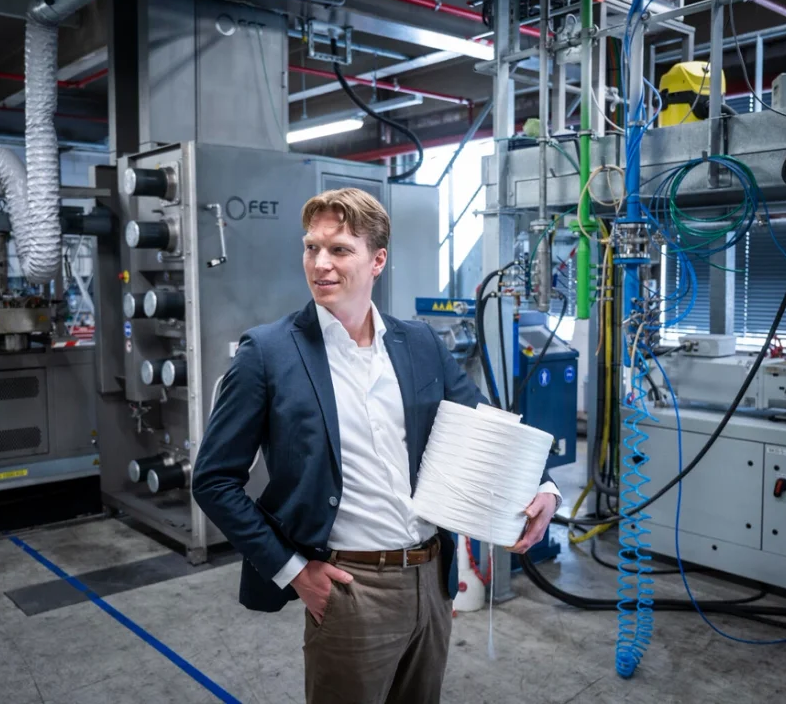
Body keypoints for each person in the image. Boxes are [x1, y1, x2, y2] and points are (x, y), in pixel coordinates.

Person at [191, 187, 560, 704]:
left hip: (432, 577)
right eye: (311, 247)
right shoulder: (268, 353)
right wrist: (294, 572)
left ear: (377, 259)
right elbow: (212, 480)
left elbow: (487, 423)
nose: (320, 263)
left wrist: (543, 485)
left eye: (340, 249)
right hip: (348, 587)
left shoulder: (420, 343)